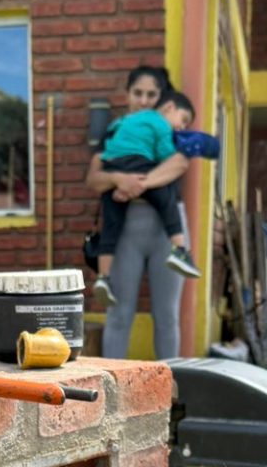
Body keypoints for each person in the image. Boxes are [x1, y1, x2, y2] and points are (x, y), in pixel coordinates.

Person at [86, 64, 190, 360]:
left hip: (166, 228)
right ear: (127, 95)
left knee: (167, 317)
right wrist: (118, 179)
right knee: (118, 314)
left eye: (151, 94)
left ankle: (171, 393)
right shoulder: (116, 131)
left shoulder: (171, 126)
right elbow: (94, 178)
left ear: (162, 99)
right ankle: (111, 399)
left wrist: (137, 184)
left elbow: (180, 164)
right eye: (138, 93)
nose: (144, 100)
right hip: (125, 229)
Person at [92, 89, 201, 307]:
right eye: (183, 120)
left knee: (110, 228)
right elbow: (167, 156)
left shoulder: (125, 120)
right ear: (169, 108)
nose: (181, 127)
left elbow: (110, 137)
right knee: (167, 197)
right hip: (138, 162)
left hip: (113, 164)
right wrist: (144, 181)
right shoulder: (159, 122)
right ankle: (180, 251)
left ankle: (103, 278)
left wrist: (119, 180)